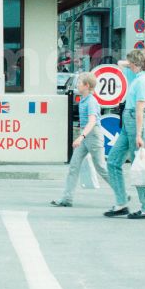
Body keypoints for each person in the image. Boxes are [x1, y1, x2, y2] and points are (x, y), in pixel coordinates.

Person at [105, 49, 145, 220]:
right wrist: (135, 61)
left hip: (136, 121)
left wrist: (139, 135)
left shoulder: (143, 81)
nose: (129, 66)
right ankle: (121, 203)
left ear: (136, 64)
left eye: (132, 64)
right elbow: (121, 64)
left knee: (139, 166)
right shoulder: (141, 76)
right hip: (130, 121)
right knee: (113, 161)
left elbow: (140, 108)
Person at [51, 72, 109, 207]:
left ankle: (122, 193)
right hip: (86, 134)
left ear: (87, 85)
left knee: (101, 168)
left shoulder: (91, 101)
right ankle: (67, 199)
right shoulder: (84, 99)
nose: (77, 84)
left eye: (79, 82)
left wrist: (80, 137)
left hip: (93, 135)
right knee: (74, 166)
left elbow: (92, 121)